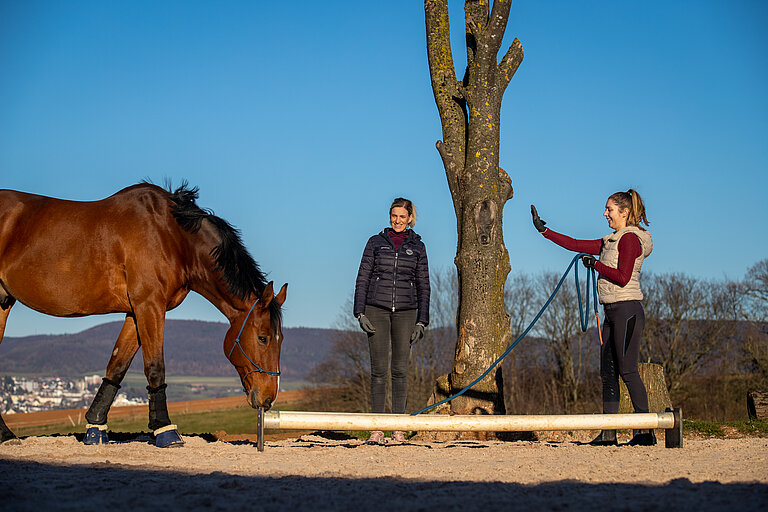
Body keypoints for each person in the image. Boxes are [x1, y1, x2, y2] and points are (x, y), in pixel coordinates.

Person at [531, 189, 656, 446]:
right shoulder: (610, 240)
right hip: (610, 311)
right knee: (608, 371)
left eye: (609, 209)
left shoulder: (630, 240)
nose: (605, 213)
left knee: (628, 370)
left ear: (625, 212)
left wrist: (595, 265)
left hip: (627, 310)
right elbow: (576, 244)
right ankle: (608, 431)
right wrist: (545, 231)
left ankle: (644, 431)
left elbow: (622, 276)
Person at [354, 197, 430, 444]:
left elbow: (424, 285)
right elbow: (363, 277)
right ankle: (376, 427)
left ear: (410, 218)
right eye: (394, 215)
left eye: (402, 216)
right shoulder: (375, 243)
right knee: (378, 371)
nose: (398, 220)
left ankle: (398, 427)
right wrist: (360, 312)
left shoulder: (418, 247)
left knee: (399, 371)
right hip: (376, 309)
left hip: (407, 312)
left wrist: (422, 321)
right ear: (390, 217)